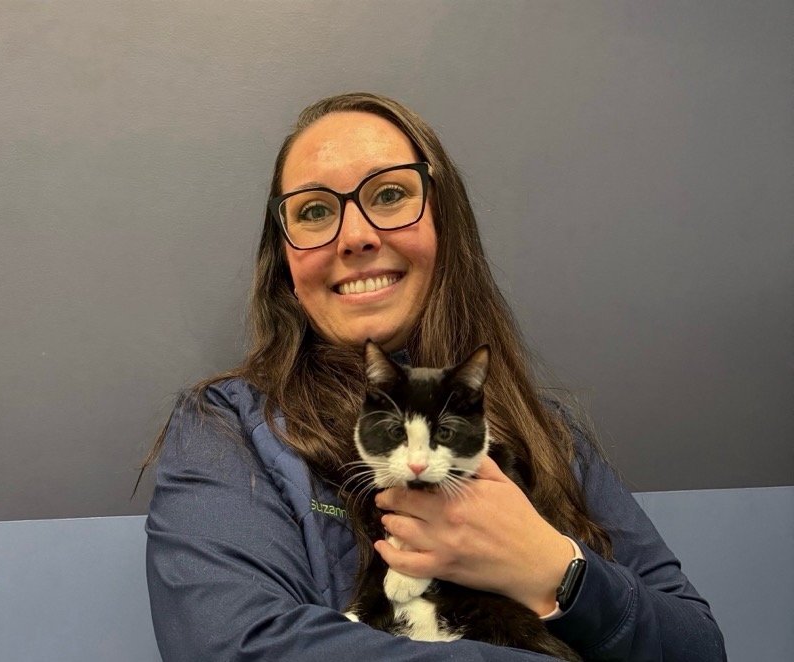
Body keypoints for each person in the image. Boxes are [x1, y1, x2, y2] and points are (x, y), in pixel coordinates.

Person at [141, 92, 727, 660]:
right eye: (315, 210)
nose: (356, 236)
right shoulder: (228, 429)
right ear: (286, 260)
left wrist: (555, 570)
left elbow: (697, 647)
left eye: (390, 194)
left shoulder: (547, 432)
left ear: (445, 227)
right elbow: (233, 646)